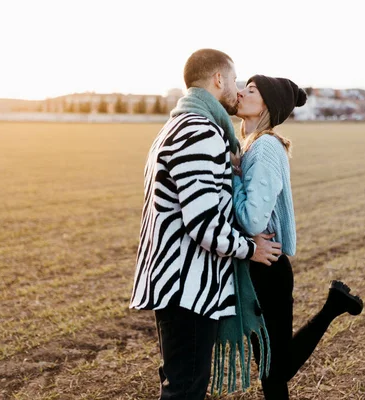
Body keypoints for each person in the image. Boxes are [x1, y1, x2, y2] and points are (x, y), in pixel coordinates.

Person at [129, 50, 282, 400]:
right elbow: (203, 224)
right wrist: (251, 248)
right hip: (188, 287)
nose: (237, 89)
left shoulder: (176, 125)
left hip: (175, 283)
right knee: (186, 388)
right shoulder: (200, 131)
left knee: (180, 382)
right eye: (234, 80)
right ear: (218, 79)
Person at [232, 75, 365, 399]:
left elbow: (252, 220)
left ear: (268, 105)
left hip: (267, 267)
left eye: (251, 91)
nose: (240, 93)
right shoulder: (253, 145)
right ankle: (334, 305)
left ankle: (333, 306)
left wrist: (234, 178)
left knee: (274, 371)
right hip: (261, 266)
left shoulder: (263, 148)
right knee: (272, 372)